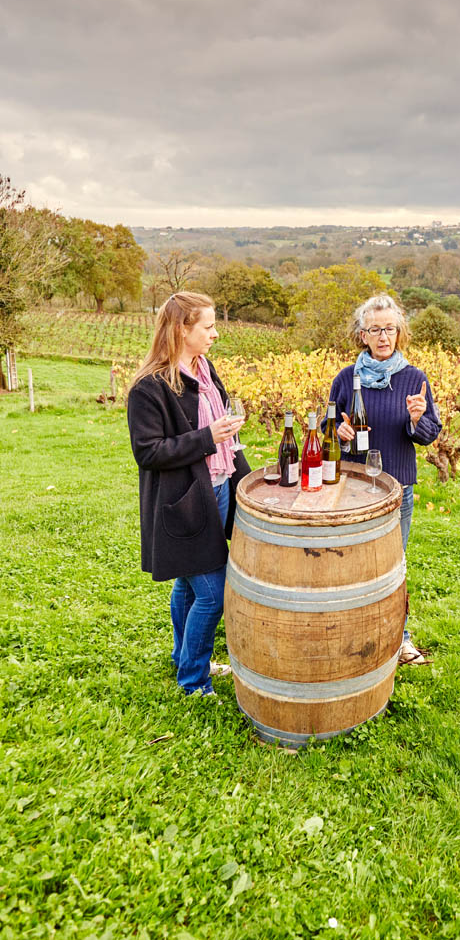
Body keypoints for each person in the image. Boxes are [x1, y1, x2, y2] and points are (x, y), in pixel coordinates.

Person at [127, 292, 250, 699]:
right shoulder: (150, 387)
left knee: (187, 583)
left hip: (217, 489)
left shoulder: (205, 367)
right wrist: (206, 437)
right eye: (208, 326)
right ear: (182, 329)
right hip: (184, 501)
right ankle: (194, 681)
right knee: (214, 593)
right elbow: (149, 451)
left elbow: (221, 433)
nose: (216, 333)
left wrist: (244, 478)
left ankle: (184, 655)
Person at [328, 294, 442, 666]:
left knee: (394, 565)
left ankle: (400, 637)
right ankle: (352, 631)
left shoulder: (414, 379)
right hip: (353, 489)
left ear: (399, 333)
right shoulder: (347, 378)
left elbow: (427, 434)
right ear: (362, 335)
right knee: (350, 564)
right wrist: (338, 432)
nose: (383, 337)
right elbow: (329, 426)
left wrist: (416, 418)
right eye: (375, 329)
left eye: (390, 329)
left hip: (397, 491)